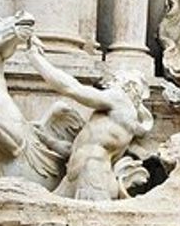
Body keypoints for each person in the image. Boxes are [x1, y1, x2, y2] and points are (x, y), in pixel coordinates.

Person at [25, 39, 154, 201]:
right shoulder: (113, 116)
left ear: (128, 85)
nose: (110, 83)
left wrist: (36, 59)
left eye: (116, 79)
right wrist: (46, 139)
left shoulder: (120, 100)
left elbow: (72, 88)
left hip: (93, 176)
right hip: (75, 177)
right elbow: (77, 149)